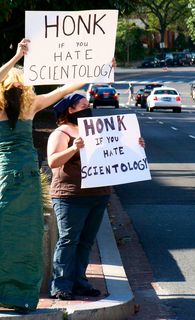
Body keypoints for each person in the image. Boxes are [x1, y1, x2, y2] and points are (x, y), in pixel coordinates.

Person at [0, 38, 84, 315]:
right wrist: (16, 57)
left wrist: (97, 73)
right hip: (8, 179)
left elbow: (61, 91)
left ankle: (22, 296)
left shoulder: (29, 107)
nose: (16, 89)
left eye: (20, 85)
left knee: (29, 236)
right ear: (2, 89)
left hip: (31, 179)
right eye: (12, 86)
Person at [47, 93, 145, 300]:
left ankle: (80, 282)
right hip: (70, 196)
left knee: (86, 241)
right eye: (82, 105)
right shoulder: (61, 132)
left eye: (88, 105)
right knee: (68, 240)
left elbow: (117, 151)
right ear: (70, 110)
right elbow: (53, 161)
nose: (87, 108)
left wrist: (136, 145)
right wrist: (74, 148)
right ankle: (61, 285)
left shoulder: (98, 129)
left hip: (99, 194)